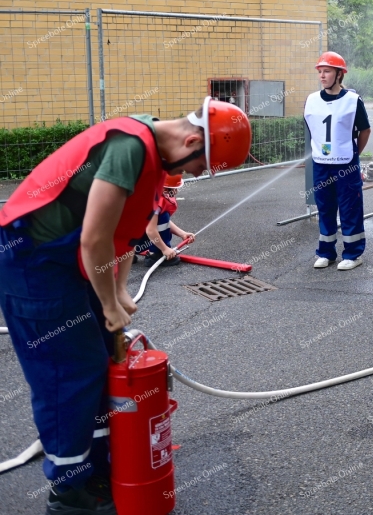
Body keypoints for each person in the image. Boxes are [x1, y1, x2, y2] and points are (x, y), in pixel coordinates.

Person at [0, 96, 251, 514]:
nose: (193, 174)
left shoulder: (153, 160)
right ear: (191, 140)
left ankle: (98, 469)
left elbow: (123, 238)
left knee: (100, 363)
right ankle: (68, 494)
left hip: (69, 262)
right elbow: (95, 238)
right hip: (33, 262)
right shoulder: (129, 148)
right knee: (68, 374)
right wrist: (109, 305)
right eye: (199, 165)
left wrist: (117, 295)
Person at [304, 51, 371, 271]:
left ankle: (353, 254)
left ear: (339, 74)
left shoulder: (353, 101)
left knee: (350, 207)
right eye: (320, 71)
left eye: (327, 71)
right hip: (322, 164)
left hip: (346, 164)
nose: (322, 76)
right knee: (324, 207)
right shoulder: (312, 100)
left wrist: (354, 154)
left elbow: (365, 129)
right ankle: (326, 252)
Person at [142, 173, 195, 267]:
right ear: (165, 189)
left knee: (162, 217)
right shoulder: (154, 203)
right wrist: (165, 249)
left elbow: (162, 222)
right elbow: (151, 230)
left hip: (123, 240)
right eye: (175, 188)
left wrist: (182, 233)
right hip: (125, 238)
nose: (177, 191)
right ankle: (154, 255)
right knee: (163, 217)